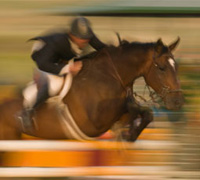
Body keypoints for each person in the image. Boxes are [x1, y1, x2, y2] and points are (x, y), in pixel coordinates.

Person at [18, 16, 106, 132]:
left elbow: (103, 49)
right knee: (54, 84)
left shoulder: (87, 36)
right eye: (81, 39)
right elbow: (43, 64)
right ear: (71, 35)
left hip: (62, 56)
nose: (84, 42)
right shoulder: (57, 43)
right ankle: (27, 112)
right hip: (43, 56)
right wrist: (67, 68)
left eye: (87, 39)